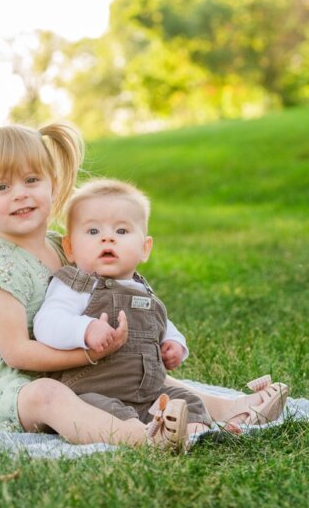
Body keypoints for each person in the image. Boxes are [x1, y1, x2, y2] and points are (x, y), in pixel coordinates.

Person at [33, 178, 288, 435]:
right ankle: (145, 436)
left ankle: (199, 433)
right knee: (109, 412)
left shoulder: (141, 289)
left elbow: (161, 325)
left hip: (148, 392)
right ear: (70, 248)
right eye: (93, 232)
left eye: (121, 232)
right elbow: (47, 323)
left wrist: (175, 345)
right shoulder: (76, 284)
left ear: (145, 249)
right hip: (91, 391)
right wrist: (85, 330)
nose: (107, 239)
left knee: (188, 402)